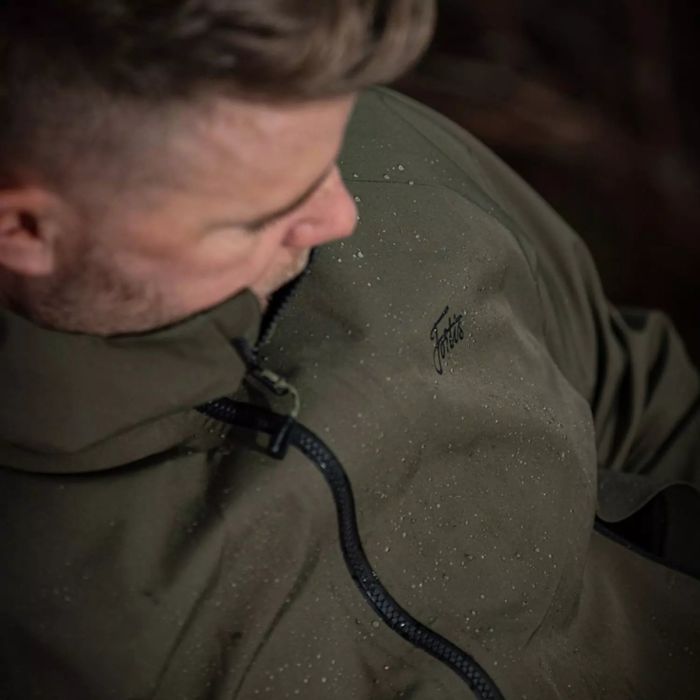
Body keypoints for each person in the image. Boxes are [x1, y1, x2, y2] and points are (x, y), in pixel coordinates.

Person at [1, 2, 698, 699]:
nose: (342, 214)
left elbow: (642, 399)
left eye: (331, 156)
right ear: (23, 230)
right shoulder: (51, 623)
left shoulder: (352, 134)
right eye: (260, 215)